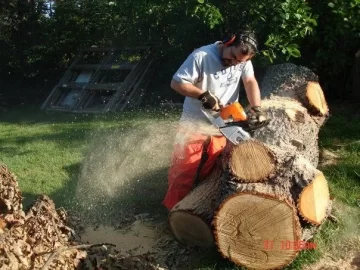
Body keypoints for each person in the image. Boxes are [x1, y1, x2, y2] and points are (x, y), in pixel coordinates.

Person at [162, 31, 267, 210]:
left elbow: (249, 81)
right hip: (194, 123)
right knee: (184, 171)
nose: (234, 63)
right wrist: (202, 95)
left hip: (223, 123)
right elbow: (177, 83)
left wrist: (256, 107)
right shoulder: (202, 56)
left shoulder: (243, 60)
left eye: (239, 62)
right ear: (228, 42)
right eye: (232, 57)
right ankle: (173, 209)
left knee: (211, 169)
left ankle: (197, 206)